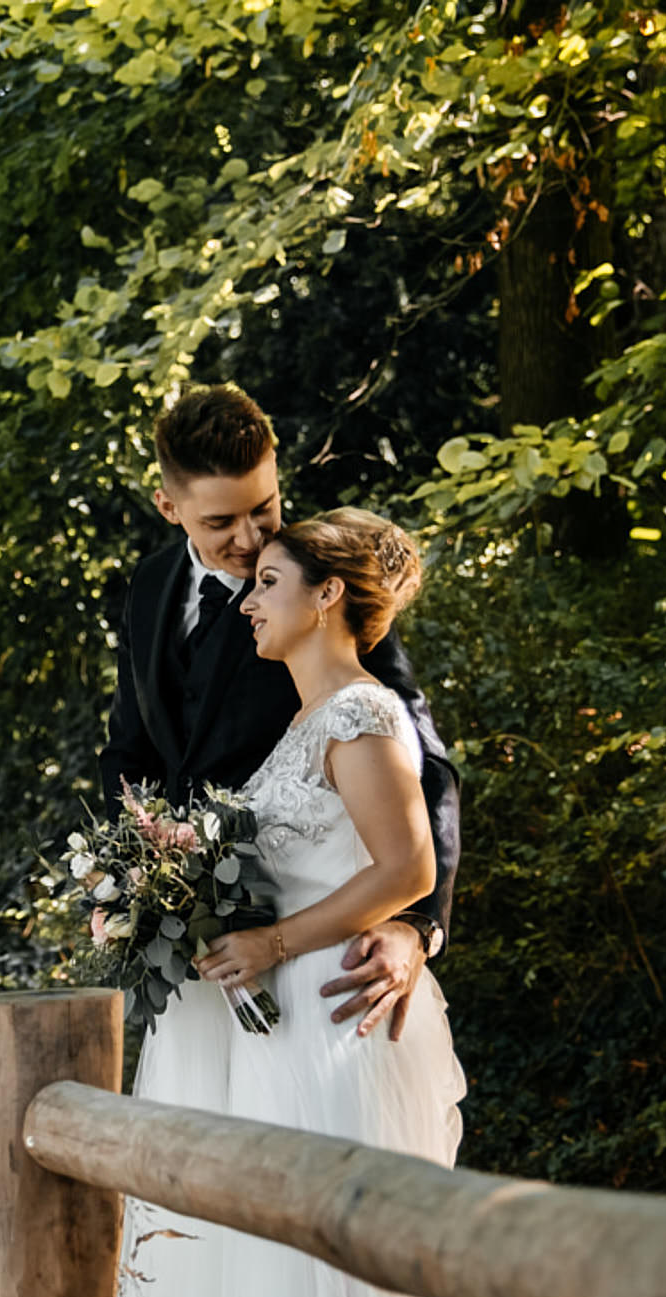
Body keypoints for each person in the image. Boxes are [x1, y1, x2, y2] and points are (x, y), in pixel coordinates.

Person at [115, 506, 515, 1297]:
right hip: (275, 1029)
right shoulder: (302, 718)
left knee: (332, 1283)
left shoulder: (360, 709)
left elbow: (406, 864)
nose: (251, 595)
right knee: (268, 1282)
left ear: (327, 597)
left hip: (330, 1026)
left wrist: (284, 943)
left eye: (272, 578)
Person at [97, 385, 458, 1040]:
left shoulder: (323, 579)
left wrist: (417, 923)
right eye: (219, 523)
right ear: (169, 507)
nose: (251, 537)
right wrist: (129, 884)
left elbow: (419, 760)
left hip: (303, 956)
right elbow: (131, 751)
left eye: (264, 508)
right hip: (198, 954)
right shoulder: (148, 587)